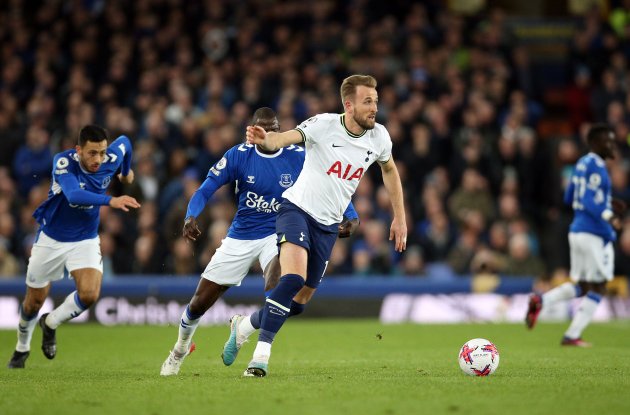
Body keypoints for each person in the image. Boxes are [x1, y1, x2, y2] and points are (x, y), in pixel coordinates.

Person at [160, 107, 359, 376]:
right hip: (241, 235)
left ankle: (259, 354)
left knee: (281, 285)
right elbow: (206, 188)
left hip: (279, 230)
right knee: (199, 302)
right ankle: (180, 349)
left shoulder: (297, 156)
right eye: (264, 128)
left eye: (275, 128)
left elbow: (330, 183)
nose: (270, 133)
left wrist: (351, 214)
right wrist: (190, 215)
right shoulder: (238, 155)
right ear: (253, 131)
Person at [242, 74, 407, 377]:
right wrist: (267, 141)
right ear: (349, 104)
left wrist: (400, 217)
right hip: (296, 210)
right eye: (367, 101)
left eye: (376, 101)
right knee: (292, 279)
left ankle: (246, 324)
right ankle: (259, 358)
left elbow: (390, 170)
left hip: (328, 225)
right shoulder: (323, 124)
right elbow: (282, 138)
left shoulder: (379, 136)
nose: (374, 108)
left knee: (301, 302)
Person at [7, 124, 140, 368]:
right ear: (78, 150)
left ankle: (50, 323)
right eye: (92, 153)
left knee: (89, 294)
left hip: (85, 239)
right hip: (51, 240)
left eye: (101, 152)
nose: (98, 159)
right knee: (33, 302)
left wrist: (125, 171)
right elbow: (73, 196)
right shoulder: (63, 162)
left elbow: (127, 142)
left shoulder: (112, 155)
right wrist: (111, 200)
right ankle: (22, 347)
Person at [525, 124, 623, 346]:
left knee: (584, 285)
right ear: (597, 143)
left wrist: (604, 203)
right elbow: (589, 200)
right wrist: (609, 215)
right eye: (608, 140)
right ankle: (572, 334)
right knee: (599, 286)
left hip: (577, 229)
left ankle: (541, 300)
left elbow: (569, 197)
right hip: (594, 232)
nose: (612, 144)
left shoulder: (580, 164)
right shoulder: (597, 166)